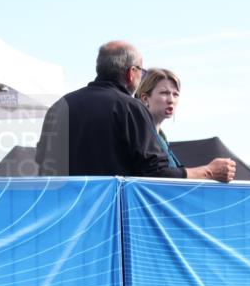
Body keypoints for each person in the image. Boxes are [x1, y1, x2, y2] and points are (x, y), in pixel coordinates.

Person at [36, 42, 234, 182]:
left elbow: (43, 165)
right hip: (113, 223)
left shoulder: (60, 106)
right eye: (142, 71)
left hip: (64, 223)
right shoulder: (130, 108)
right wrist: (209, 172)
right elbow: (157, 174)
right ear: (131, 73)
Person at [135, 68, 237, 182]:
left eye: (175, 94)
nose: (171, 100)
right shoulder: (141, 134)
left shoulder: (160, 138)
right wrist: (209, 171)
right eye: (164, 93)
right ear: (145, 98)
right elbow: (158, 174)